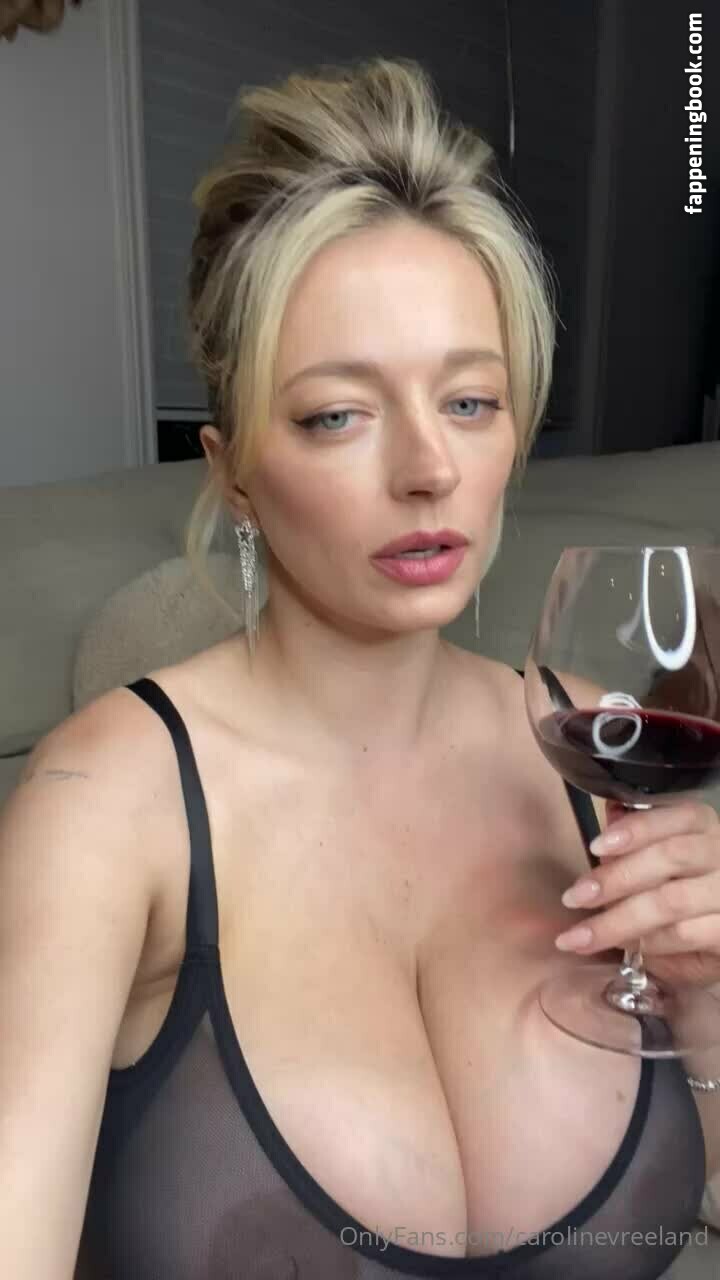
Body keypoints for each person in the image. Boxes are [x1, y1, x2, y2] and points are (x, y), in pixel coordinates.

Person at [0, 56, 710, 1280]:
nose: (428, 468)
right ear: (231, 471)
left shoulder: (598, 749)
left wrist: (704, 995)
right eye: (338, 413)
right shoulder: (102, 802)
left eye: (471, 401)